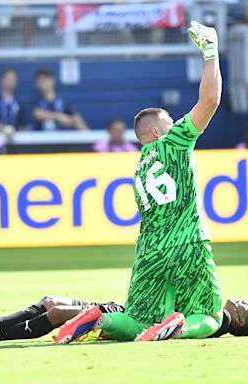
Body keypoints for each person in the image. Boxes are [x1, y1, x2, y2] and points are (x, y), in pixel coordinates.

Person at [55, 21, 224, 344]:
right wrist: (211, 52)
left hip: (149, 251)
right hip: (188, 242)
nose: (177, 124)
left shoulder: (139, 167)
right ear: (157, 132)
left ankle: (99, 319)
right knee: (210, 316)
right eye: (170, 122)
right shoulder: (174, 142)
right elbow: (210, 101)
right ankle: (180, 327)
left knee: (137, 320)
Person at [0, 295, 248, 343]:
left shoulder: (214, 321)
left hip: (127, 321)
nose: (242, 301)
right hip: (127, 307)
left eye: (246, 307)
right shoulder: (210, 297)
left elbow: (182, 324)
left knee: (57, 314)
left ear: (240, 322)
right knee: (50, 301)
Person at [0, 68, 28, 136]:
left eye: (14, 79)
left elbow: (23, 124)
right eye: (9, 79)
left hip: (16, 140)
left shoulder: (20, 102)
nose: (12, 82)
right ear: (1, 81)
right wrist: (4, 130)